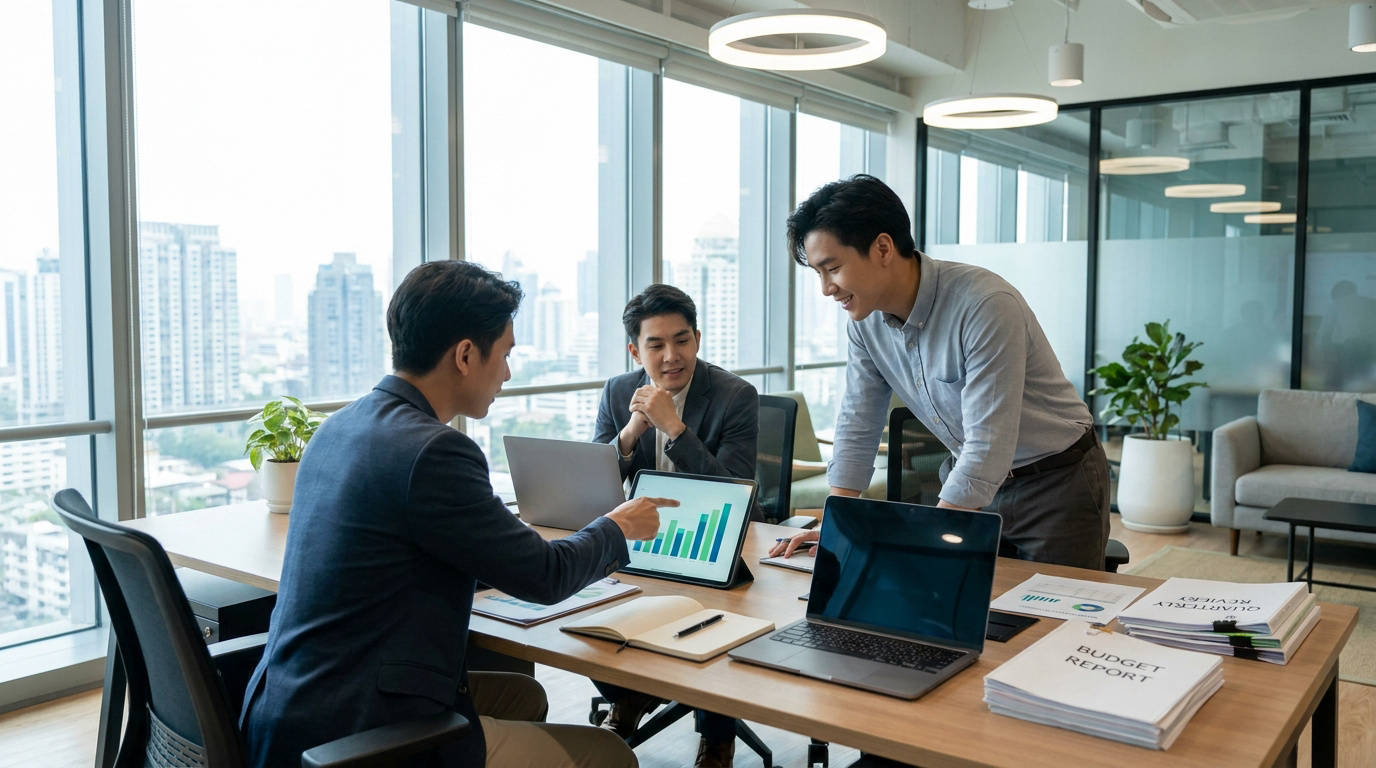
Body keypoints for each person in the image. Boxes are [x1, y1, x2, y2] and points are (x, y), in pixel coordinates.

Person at [242, 260, 677, 768]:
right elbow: (544, 576)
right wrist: (617, 527)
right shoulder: (434, 450)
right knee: (608, 754)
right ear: (466, 355)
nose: (509, 373)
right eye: (506, 354)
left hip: (289, 704)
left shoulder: (341, 425)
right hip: (359, 728)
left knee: (524, 697)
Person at [770, 175, 1110, 571]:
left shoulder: (984, 305)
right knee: (965, 618)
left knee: (1057, 621)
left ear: (882, 247)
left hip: (1055, 483)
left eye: (832, 268)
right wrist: (837, 521)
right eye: (818, 273)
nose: (827, 288)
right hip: (970, 480)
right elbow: (858, 420)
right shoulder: (864, 323)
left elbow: (988, 442)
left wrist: (928, 536)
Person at [589, 283, 759, 768]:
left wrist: (675, 429)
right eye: (656, 345)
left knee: (716, 621)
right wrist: (629, 435)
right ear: (634, 350)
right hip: (646, 536)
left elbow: (735, 491)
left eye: (682, 341)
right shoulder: (619, 390)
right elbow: (596, 484)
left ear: (698, 339)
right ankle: (630, 692)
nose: (671, 356)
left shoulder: (735, 395)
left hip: (720, 536)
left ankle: (716, 736)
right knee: (580, 605)